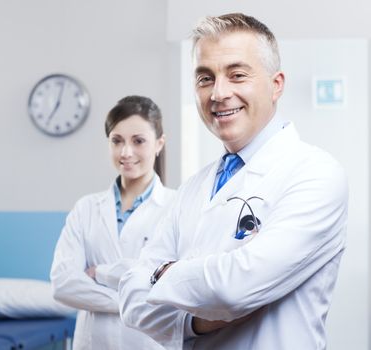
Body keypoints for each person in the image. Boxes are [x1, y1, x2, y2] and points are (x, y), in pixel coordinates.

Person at [119, 13, 348, 349]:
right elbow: (131, 300)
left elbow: (237, 287)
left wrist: (161, 273)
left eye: (237, 75)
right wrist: (195, 322)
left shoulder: (316, 174)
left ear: (276, 85)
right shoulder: (194, 187)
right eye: (205, 79)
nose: (219, 93)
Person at [50, 95, 175, 350]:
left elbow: (168, 283)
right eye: (117, 141)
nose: (126, 152)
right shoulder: (86, 208)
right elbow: (63, 283)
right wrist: (131, 298)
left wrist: (100, 274)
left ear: (159, 143)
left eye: (138, 141)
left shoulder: (177, 207)